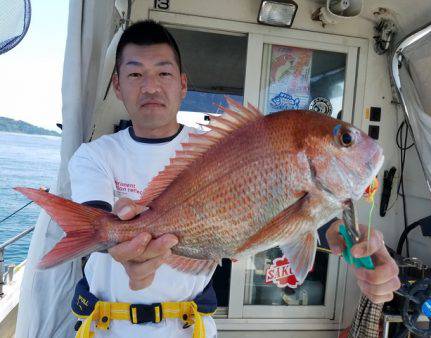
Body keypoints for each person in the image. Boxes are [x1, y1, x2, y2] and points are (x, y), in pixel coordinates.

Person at [68, 20, 400, 338]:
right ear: (117, 84)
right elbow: (95, 228)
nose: (151, 86)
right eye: (136, 73)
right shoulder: (94, 155)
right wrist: (121, 239)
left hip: (189, 329)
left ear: (183, 84)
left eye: (163, 73)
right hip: (106, 329)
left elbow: (309, 220)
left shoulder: (214, 147)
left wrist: (355, 246)